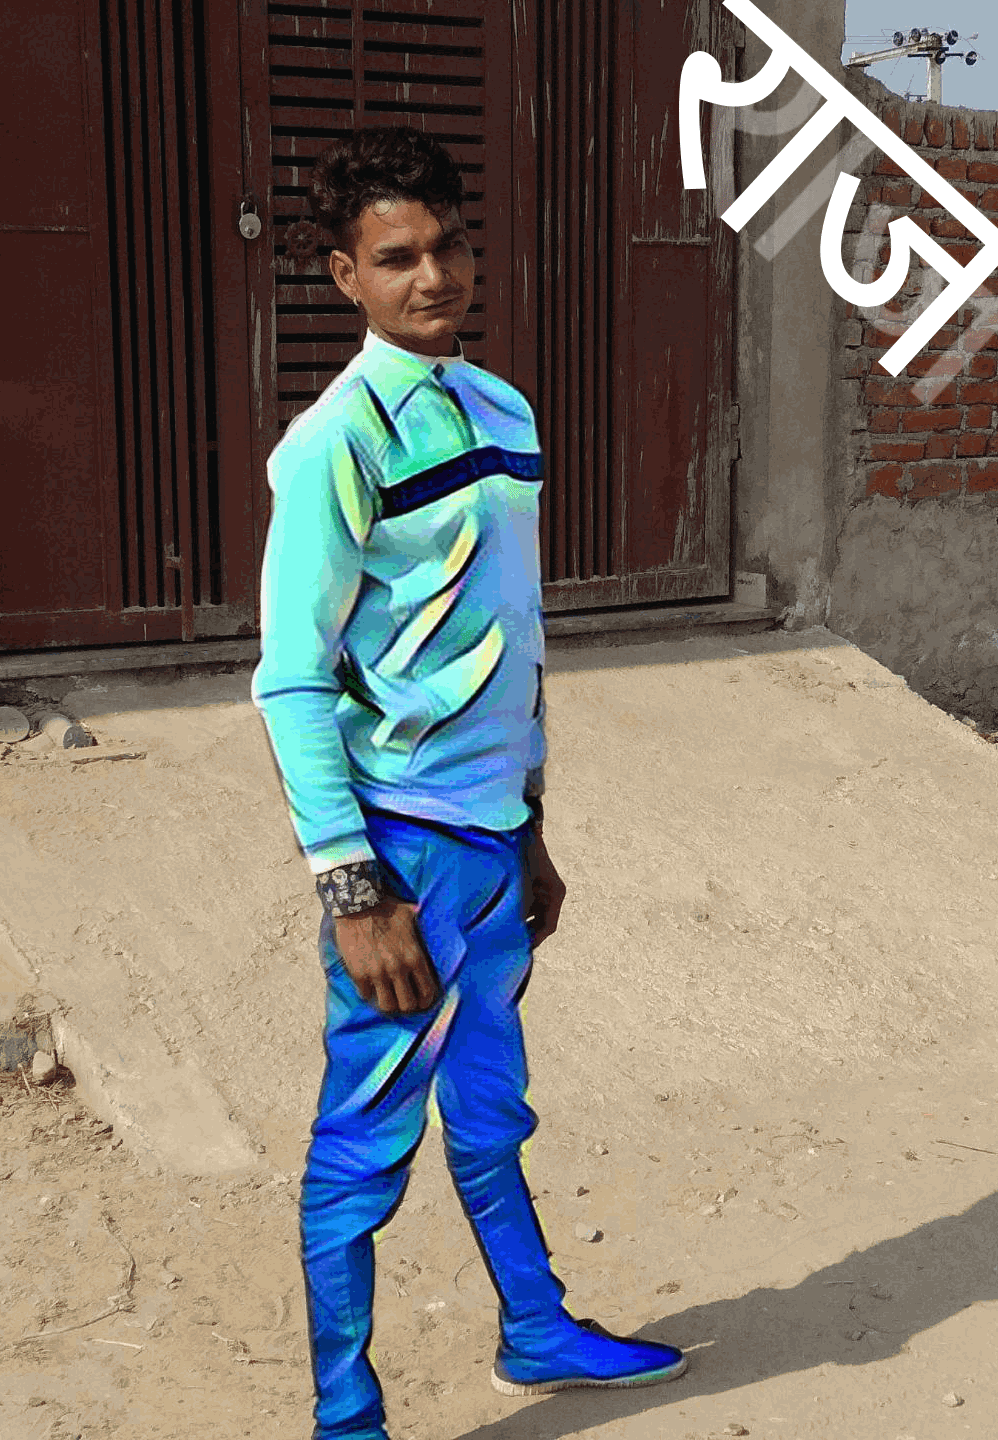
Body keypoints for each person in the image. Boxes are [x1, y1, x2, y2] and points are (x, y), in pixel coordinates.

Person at [251, 124, 687, 1440]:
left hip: (493, 845)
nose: (431, 276)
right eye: (397, 258)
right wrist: (352, 889)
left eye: (447, 247)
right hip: (404, 850)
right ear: (345, 275)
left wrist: (534, 825)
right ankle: (346, 1421)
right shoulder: (334, 444)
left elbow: (517, 636)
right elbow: (290, 680)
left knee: (491, 1108)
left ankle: (535, 1328)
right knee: (360, 1153)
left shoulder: (503, 412)